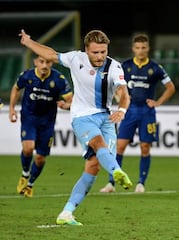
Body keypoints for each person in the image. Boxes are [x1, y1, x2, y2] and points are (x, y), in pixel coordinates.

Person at [19, 29, 132, 226]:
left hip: (105, 118)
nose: (100, 56)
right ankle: (116, 170)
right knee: (98, 144)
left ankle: (66, 212)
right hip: (81, 117)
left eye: (103, 52)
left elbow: (123, 92)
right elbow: (50, 54)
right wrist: (28, 42)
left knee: (93, 166)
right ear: (86, 51)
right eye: (95, 52)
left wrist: (122, 109)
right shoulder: (75, 59)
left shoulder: (114, 67)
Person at [100, 33, 175, 193]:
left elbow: (170, 87)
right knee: (119, 146)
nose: (141, 50)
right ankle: (111, 183)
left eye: (144, 48)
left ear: (148, 49)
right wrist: (118, 97)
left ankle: (141, 183)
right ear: (133, 49)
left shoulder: (155, 68)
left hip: (147, 112)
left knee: (145, 147)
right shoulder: (125, 66)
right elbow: (112, 84)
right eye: (138, 48)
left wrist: (158, 102)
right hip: (129, 111)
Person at [9, 55, 73, 198]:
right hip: (29, 118)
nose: (44, 65)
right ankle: (25, 174)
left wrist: (66, 106)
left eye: (48, 62)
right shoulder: (27, 75)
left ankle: (30, 185)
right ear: (36, 62)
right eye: (41, 62)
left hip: (47, 123)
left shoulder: (59, 79)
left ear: (52, 63)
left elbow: (71, 101)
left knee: (40, 158)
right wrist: (12, 109)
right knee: (28, 148)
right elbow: (16, 88)